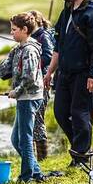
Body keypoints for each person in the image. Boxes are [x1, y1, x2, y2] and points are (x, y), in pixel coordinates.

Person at [44, 0, 93, 168]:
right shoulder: (68, 9)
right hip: (65, 72)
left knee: (80, 114)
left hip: (84, 72)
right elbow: (59, 43)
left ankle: (80, 157)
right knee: (61, 112)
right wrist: (50, 71)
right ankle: (80, 149)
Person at [0, 13, 46, 183]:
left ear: (24, 30)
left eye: (14, 30)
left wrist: (17, 91)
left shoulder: (29, 50)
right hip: (24, 97)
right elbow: (2, 67)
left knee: (25, 139)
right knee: (16, 139)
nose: (11, 32)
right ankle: (35, 171)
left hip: (30, 97)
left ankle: (26, 177)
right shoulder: (18, 48)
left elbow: (29, 78)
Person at [28, 10, 55, 161]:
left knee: (38, 118)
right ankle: (33, 157)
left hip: (43, 82)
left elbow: (48, 56)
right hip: (35, 82)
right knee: (32, 120)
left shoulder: (43, 36)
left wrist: (32, 65)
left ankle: (42, 158)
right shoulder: (33, 37)